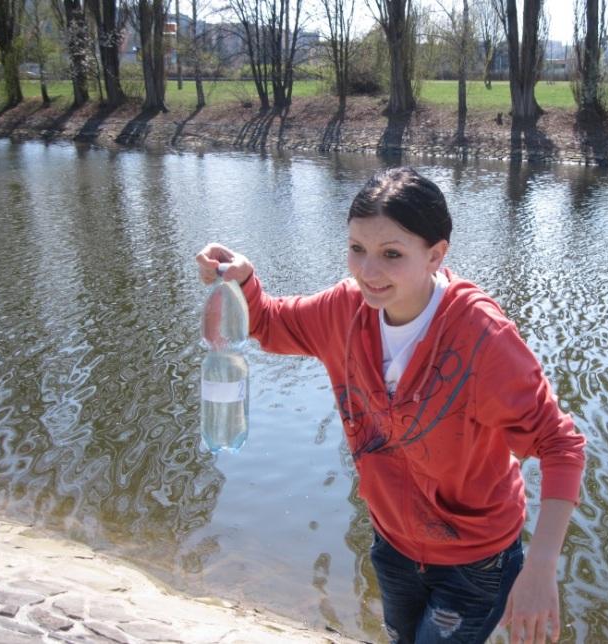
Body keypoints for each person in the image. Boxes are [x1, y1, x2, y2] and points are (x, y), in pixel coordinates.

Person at [196, 167, 586, 644]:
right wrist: (243, 280)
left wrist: (542, 569)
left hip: (476, 562)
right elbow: (272, 323)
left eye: (391, 254)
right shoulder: (346, 309)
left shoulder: (481, 338)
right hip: (393, 546)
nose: (368, 272)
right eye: (357, 249)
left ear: (436, 255)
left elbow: (560, 444)